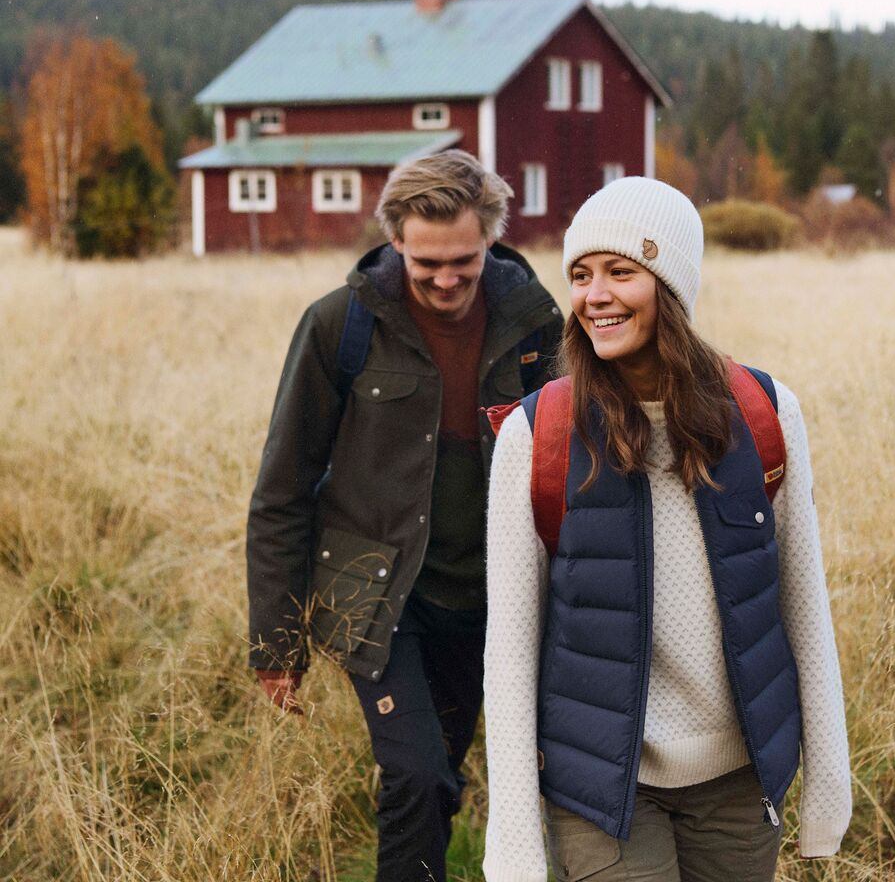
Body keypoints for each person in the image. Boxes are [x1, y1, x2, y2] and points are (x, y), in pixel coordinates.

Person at [483, 177, 851, 882]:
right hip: (600, 786)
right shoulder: (537, 434)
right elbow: (510, 650)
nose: (595, 296)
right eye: (581, 275)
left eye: (621, 272)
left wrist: (829, 785)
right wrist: (515, 842)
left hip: (739, 779)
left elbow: (803, 604)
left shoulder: (766, 413)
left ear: (673, 286)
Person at [246, 149, 563, 882]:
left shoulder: (535, 322)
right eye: (427, 264)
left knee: (440, 777)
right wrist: (277, 642)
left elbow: (571, 463)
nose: (447, 280)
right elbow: (282, 489)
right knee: (416, 775)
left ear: (491, 238)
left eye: (464, 261)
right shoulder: (340, 325)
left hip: (492, 599)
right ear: (395, 241)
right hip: (381, 599)